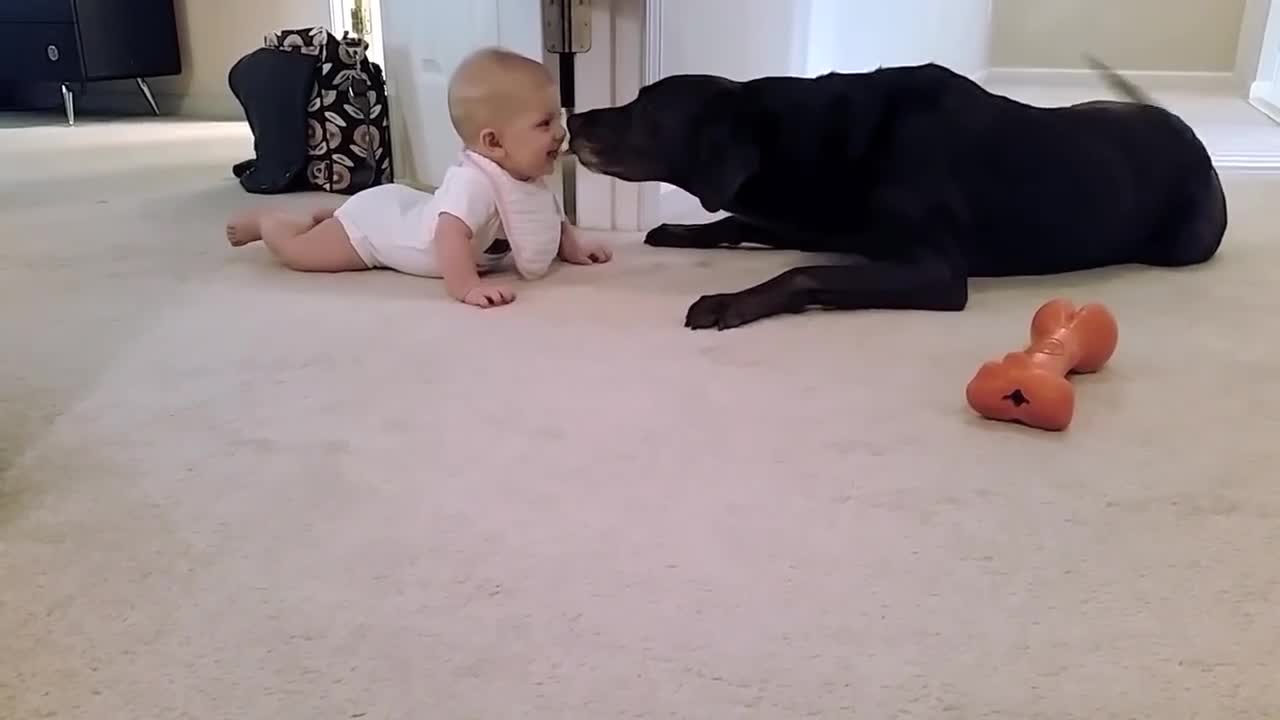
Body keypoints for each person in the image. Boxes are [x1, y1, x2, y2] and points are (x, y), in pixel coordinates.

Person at [225, 46, 612, 308]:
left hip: (401, 204)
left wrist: (571, 247)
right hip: (376, 233)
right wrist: (467, 286)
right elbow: (449, 236)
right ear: (493, 142)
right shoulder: (473, 184)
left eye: (557, 118)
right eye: (544, 124)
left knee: (352, 216)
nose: (560, 132)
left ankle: (326, 216)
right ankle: (271, 225)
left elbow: (547, 216)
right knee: (303, 254)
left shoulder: (523, 177)